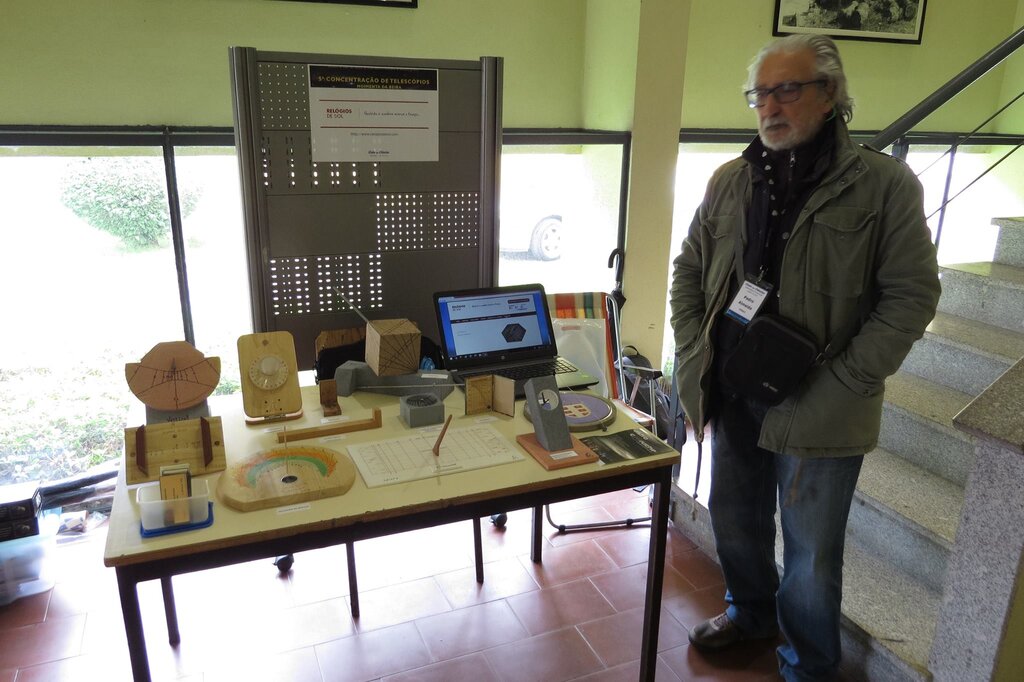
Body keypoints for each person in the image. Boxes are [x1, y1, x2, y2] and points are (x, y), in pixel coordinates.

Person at [669, 34, 940, 681]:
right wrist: (692, 350)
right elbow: (689, 271)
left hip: (821, 404)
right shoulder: (730, 180)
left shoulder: (884, 186)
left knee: (813, 554)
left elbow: (911, 297)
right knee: (735, 521)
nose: (770, 106)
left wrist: (847, 380)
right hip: (734, 385)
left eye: (787, 89)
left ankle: (810, 666)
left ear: (830, 95)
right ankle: (750, 614)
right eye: (760, 93)